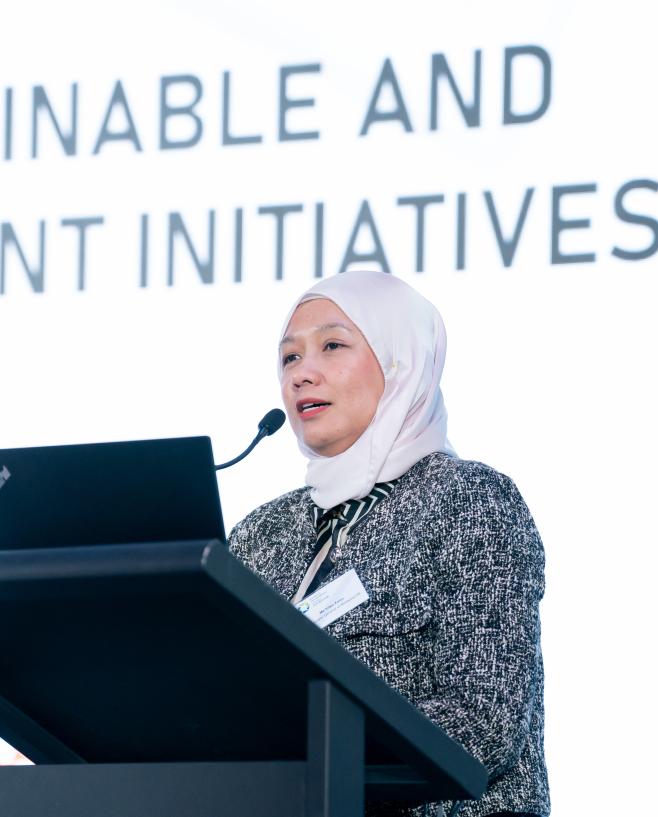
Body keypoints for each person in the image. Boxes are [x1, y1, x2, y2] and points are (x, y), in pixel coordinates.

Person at [228, 271, 549, 817]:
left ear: (401, 363)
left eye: (332, 346)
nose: (302, 374)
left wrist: (307, 752)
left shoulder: (467, 499)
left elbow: (485, 719)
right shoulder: (260, 533)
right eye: (289, 358)